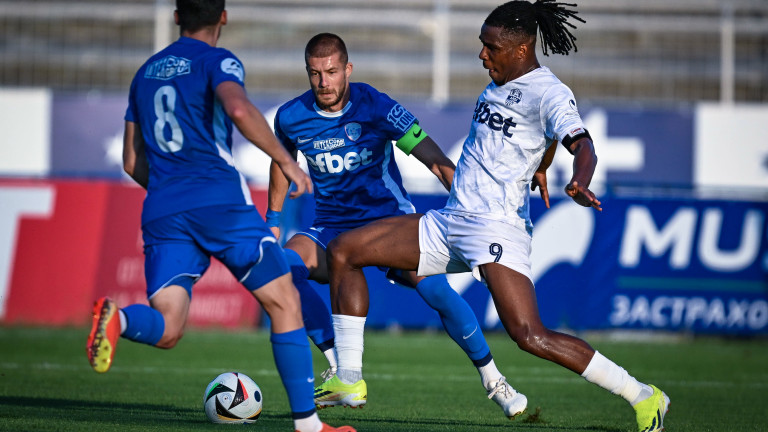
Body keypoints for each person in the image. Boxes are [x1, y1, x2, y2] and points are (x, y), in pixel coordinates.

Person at [325, 2, 670, 432]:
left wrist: (580, 180)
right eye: (482, 45)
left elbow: (582, 143)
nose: (482, 55)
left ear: (521, 48)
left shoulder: (549, 91)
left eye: (491, 47)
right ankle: (350, 379)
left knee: (529, 335)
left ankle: (644, 396)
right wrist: (541, 162)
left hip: (495, 228)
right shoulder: (499, 85)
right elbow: (539, 136)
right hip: (451, 220)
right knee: (344, 251)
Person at [84, 2, 355, 431]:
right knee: (284, 299)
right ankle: (310, 426)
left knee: (170, 326)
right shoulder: (219, 60)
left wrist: (171, 192)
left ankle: (118, 318)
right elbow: (240, 110)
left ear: (176, 17)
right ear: (222, 17)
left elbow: (131, 160)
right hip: (218, 201)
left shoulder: (146, 72)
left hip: (162, 210)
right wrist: (286, 161)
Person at [267, 32, 527, 419]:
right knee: (282, 271)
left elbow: (434, 158)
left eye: (332, 72)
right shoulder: (291, 117)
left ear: (348, 70)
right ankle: (341, 367)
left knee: (436, 292)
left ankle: (495, 380)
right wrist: (272, 223)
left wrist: (474, 217)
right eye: (315, 74)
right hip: (332, 226)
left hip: (389, 221)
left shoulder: (377, 106)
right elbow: (279, 163)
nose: (324, 83)